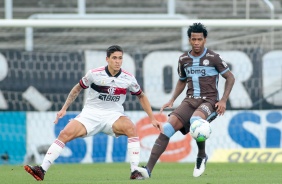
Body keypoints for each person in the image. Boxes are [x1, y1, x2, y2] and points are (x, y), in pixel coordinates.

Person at [24, 45, 159, 181]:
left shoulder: (128, 78)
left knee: (131, 128)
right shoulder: (94, 74)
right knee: (64, 134)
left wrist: (152, 118)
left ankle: (135, 171)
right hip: (90, 114)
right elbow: (77, 89)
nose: (118, 61)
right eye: (114, 58)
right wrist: (64, 108)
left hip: (113, 115)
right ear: (107, 59)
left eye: (120, 58)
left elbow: (141, 96)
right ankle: (41, 170)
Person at [143, 23, 235, 178]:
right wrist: (172, 99)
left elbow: (230, 77)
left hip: (210, 101)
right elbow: (182, 80)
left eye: (199, 39)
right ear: (189, 40)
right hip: (190, 100)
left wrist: (224, 100)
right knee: (167, 128)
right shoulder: (183, 59)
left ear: (205, 39)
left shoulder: (214, 58)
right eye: (193, 39)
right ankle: (147, 170)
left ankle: (201, 156)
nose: (196, 42)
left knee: (196, 121)